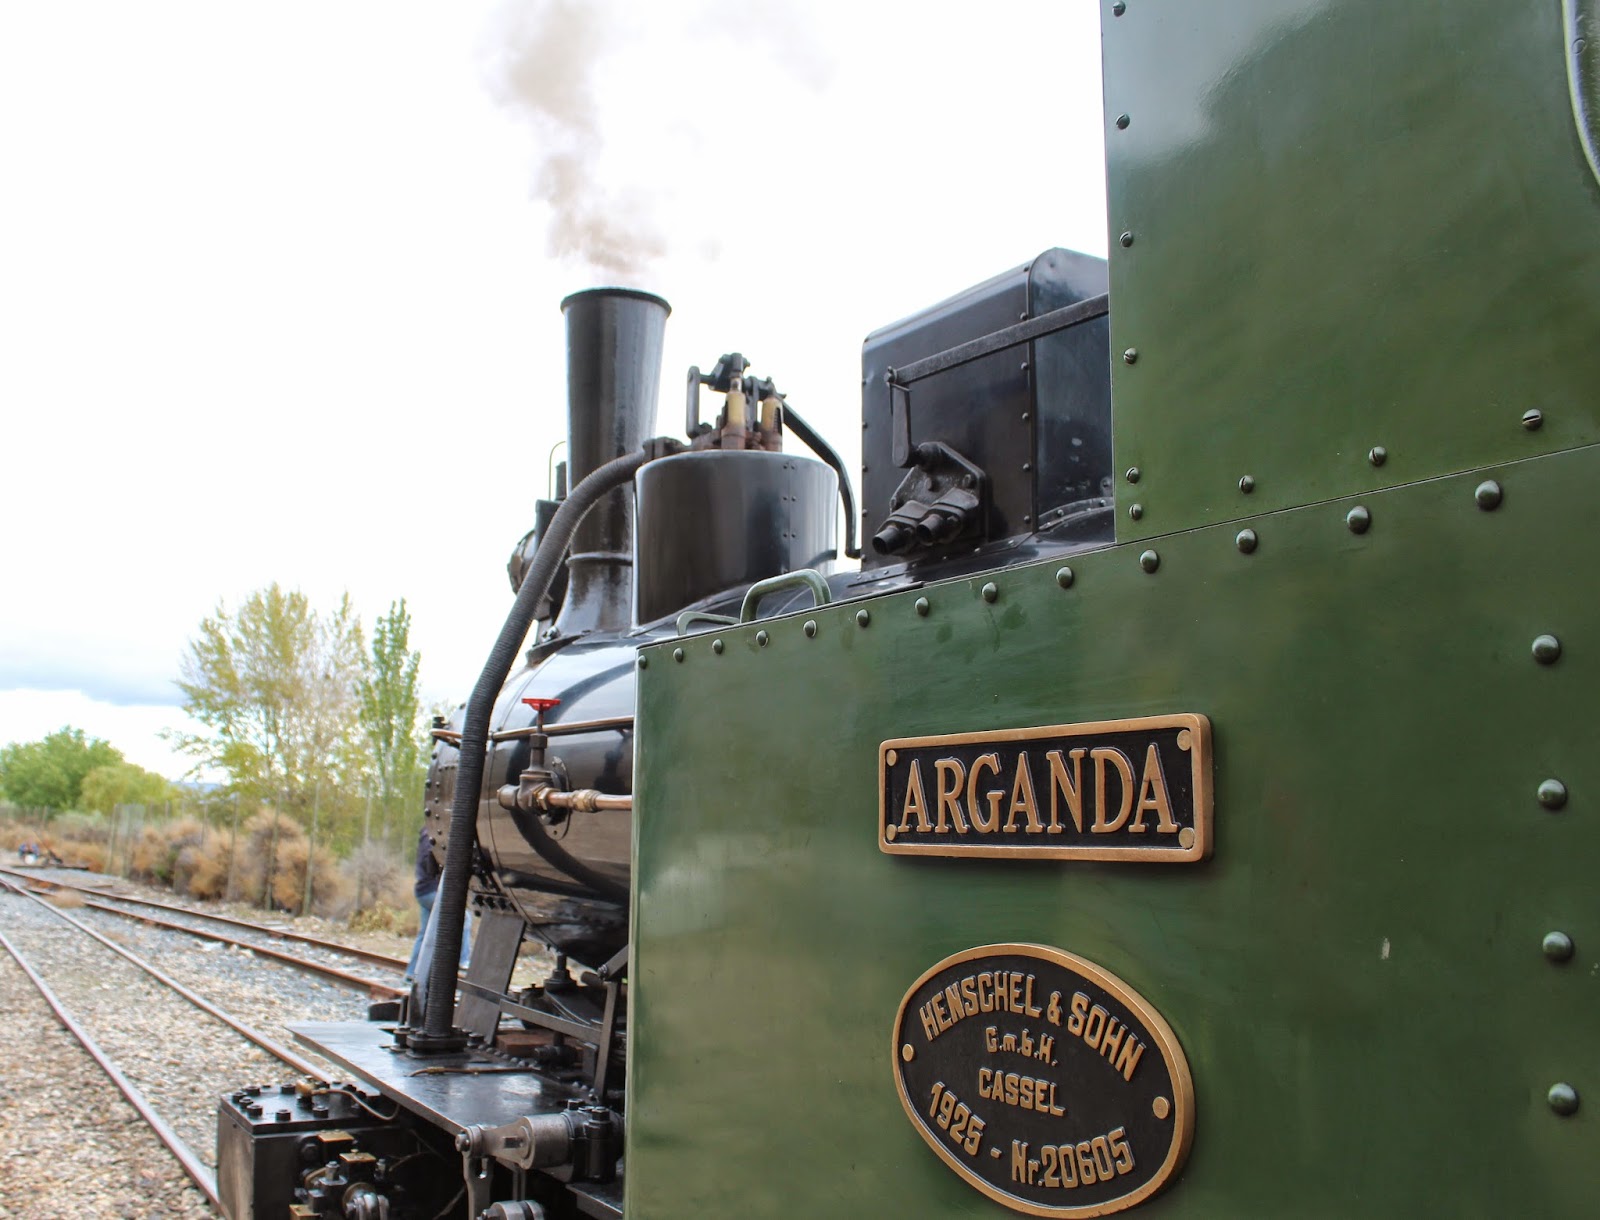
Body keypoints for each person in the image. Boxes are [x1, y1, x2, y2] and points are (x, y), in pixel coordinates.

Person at [405, 824, 471, 983]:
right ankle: (463, 961)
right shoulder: (431, 836)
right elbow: (428, 859)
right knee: (464, 918)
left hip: (424, 890)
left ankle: (412, 972)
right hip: (431, 890)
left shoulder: (428, 833)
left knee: (425, 933)